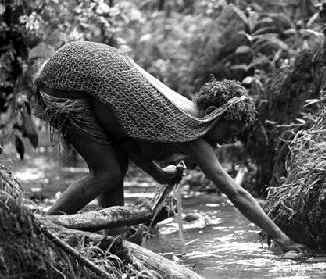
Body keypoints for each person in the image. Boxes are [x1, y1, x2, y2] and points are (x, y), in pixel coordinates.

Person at [34, 41, 304, 252]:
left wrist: (158, 175)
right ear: (216, 116)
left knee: (116, 165)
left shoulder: (178, 114)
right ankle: (42, 230)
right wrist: (283, 239)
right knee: (107, 174)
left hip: (75, 73)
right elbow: (235, 192)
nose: (228, 140)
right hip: (66, 81)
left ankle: (113, 243)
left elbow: (127, 142)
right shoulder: (191, 131)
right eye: (230, 131)